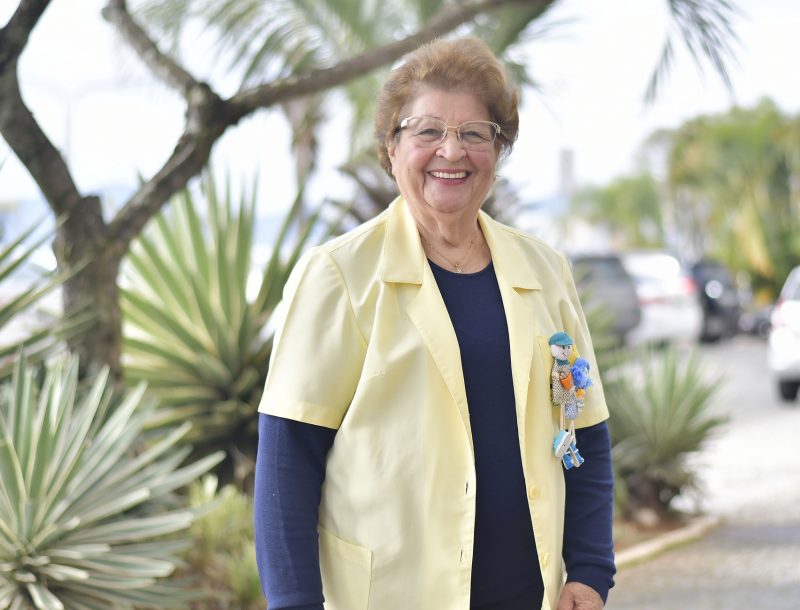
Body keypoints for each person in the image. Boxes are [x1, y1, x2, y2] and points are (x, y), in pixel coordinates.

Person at [254, 36, 615, 610]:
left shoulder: (545, 272)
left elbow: (584, 434)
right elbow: (286, 463)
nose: (453, 151)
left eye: (475, 133)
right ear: (391, 147)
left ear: (498, 152)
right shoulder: (340, 276)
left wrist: (591, 570)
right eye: (427, 131)